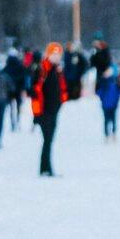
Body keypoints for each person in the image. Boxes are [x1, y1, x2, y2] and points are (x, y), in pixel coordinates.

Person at [33, 43, 67, 177]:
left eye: (59, 55)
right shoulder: (43, 69)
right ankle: (46, 169)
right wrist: (37, 114)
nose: (57, 57)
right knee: (47, 140)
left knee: (49, 141)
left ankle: (45, 168)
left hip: (53, 110)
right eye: (54, 55)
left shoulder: (56, 70)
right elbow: (35, 92)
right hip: (45, 112)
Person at [95, 55, 120, 142]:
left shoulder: (115, 82)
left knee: (113, 119)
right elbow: (99, 92)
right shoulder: (103, 82)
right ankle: (107, 135)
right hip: (105, 104)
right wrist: (102, 98)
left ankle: (113, 134)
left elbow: (118, 92)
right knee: (107, 120)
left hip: (113, 104)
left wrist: (117, 100)